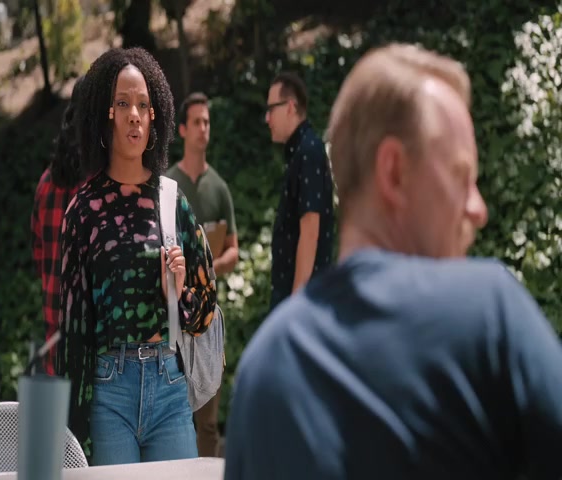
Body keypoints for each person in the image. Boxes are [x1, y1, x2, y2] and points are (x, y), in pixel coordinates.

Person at [225, 43, 562, 480]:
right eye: (461, 176)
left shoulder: (264, 368)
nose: (478, 209)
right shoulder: (489, 315)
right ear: (394, 171)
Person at [56, 47, 217, 466]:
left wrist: (179, 293)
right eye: (124, 104)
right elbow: (73, 331)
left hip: (169, 385)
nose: (135, 116)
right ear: (106, 114)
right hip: (108, 392)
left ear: (154, 117)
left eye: (143, 105)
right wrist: (71, 427)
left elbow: (205, 312)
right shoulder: (82, 211)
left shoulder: (172, 202)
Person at [166, 92, 238, 457]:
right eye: (196, 122)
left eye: (207, 122)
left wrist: (208, 267)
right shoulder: (167, 185)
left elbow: (234, 250)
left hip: (208, 323)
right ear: (181, 129)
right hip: (171, 320)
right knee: (173, 417)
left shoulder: (219, 188)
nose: (203, 128)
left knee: (208, 422)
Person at [265, 71, 335, 311]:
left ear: (290, 107)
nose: (267, 118)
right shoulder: (301, 151)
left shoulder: (308, 152)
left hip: (305, 302)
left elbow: (310, 231)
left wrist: (296, 307)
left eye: (271, 109)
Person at [31, 75, 86, 375]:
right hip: (95, 349)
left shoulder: (45, 183)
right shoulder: (100, 186)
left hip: (56, 337)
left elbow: (40, 258)